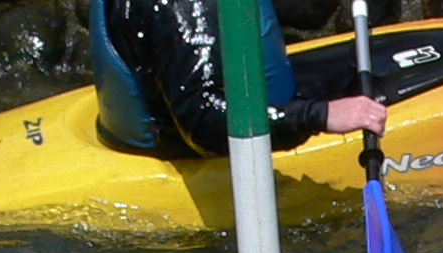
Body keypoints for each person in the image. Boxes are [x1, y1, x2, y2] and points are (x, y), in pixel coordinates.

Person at [89, 0, 389, 158]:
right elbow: (203, 122)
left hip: (150, 115)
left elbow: (303, 11)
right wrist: (319, 116)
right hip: (192, 144)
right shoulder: (185, 5)